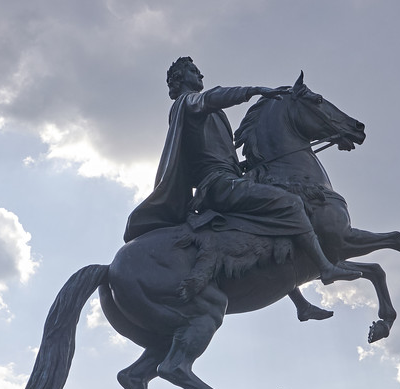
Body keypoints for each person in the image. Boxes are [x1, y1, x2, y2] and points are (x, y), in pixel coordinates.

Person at [125, 56, 360, 286]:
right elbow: (212, 98)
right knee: (290, 203)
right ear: (180, 77)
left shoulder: (204, 111)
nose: (200, 74)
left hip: (226, 178)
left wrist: (242, 166)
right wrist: (253, 91)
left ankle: (299, 298)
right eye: (194, 71)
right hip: (219, 185)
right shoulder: (189, 102)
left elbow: (212, 153)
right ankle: (325, 267)